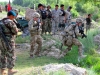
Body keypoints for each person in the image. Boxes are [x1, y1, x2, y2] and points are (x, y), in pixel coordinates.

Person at [0, 10, 18, 75]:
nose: (14, 18)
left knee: (3, 55)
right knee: (11, 55)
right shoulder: (10, 22)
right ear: (11, 16)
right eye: (13, 16)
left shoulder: (1, 21)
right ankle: (10, 70)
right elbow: (15, 31)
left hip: (1, 41)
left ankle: (2, 71)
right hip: (9, 41)